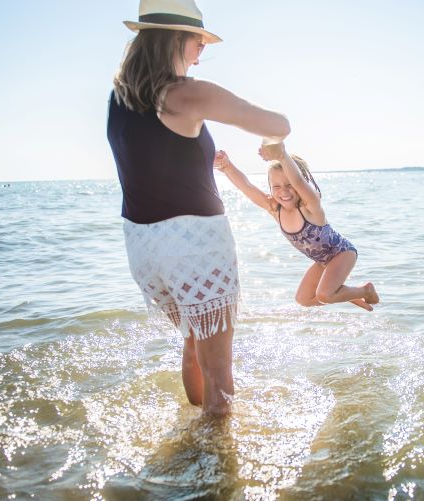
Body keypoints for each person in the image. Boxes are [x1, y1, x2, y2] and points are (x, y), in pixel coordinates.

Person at [107, 0, 290, 415]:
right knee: (220, 373)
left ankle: (193, 441)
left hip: (142, 247)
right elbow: (277, 125)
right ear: (176, 39)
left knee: (193, 344)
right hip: (194, 246)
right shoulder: (186, 95)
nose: (200, 52)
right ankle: (216, 471)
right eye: (198, 41)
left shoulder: (119, 98)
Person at [214, 144, 380, 312]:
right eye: (276, 187)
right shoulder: (275, 209)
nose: (284, 191)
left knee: (324, 295)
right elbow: (247, 186)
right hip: (323, 261)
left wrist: (282, 155)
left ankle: (365, 290)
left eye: (289, 185)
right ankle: (347, 294)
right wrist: (227, 166)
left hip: (342, 252)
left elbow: (299, 181)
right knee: (304, 299)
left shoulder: (310, 207)